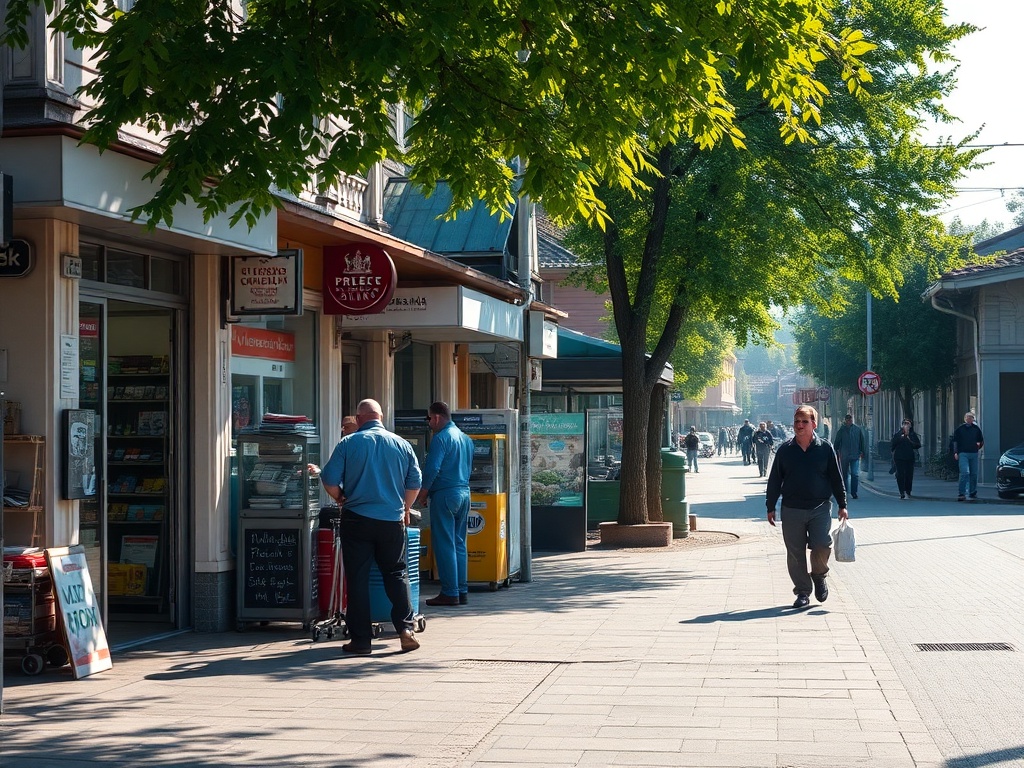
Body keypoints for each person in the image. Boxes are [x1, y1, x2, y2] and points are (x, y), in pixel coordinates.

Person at [317, 398, 422, 655]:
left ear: (359, 418)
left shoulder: (348, 443)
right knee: (396, 573)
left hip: (358, 518)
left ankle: (361, 641)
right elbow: (415, 482)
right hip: (391, 520)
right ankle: (405, 629)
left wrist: (340, 498)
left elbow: (328, 478)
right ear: (381, 417)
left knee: (358, 579)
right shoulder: (402, 444)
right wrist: (405, 509)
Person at [766, 405, 849, 608]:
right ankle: (802, 592)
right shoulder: (785, 450)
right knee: (795, 553)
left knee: (821, 544)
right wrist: (770, 507)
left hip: (819, 506)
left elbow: (836, 478)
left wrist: (842, 504)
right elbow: (775, 480)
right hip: (791, 508)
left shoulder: (825, 448)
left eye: (804, 421)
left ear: (814, 424)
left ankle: (819, 575)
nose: (799, 425)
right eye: (796, 421)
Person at [416, 401, 474, 607]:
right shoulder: (466, 439)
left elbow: (432, 469)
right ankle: (462, 590)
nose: (429, 423)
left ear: (437, 418)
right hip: (464, 492)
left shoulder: (441, 438)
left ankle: (450, 592)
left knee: (444, 544)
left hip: (445, 494)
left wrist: (423, 493)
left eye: (429, 419)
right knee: (459, 543)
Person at [952, 411, 985, 501]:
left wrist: (977, 447)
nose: (969, 418)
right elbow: (955, 441)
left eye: (971, 417)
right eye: (967, 417)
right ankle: (962, 493)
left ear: (973, 419)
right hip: (963, 453)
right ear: (965, 418)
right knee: (965, 472)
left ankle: (972, 492)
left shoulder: (976, 429)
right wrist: (955, 452)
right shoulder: (960, 429)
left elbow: (981, 440)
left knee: (974, 474)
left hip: (974, 453)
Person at [833, 413, 867, 499]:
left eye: (850, 420)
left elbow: (861, 441)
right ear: (845, 420)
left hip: (855, 455)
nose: (849, 421)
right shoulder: (841, 430)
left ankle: (854, 492)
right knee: (844, 474)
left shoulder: (857, 430)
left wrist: (862, 451)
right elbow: (837, 443)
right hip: (844, 456)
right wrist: (837, 453)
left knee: (854, 474)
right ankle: (845, 491)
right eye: (847, 420)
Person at [890, 418, 922, 499]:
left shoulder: (912, 435)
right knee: (900, 475)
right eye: (905, 424)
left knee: (909, 475)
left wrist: (909, 440)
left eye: (908, 424)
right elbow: (893, 445)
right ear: (902, 425)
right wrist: (901, 438)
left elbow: (918, 445)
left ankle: (908, 490)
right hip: (899, 458)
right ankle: (901, 491)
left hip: (909, 457)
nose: (907, 425)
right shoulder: (898, 434)